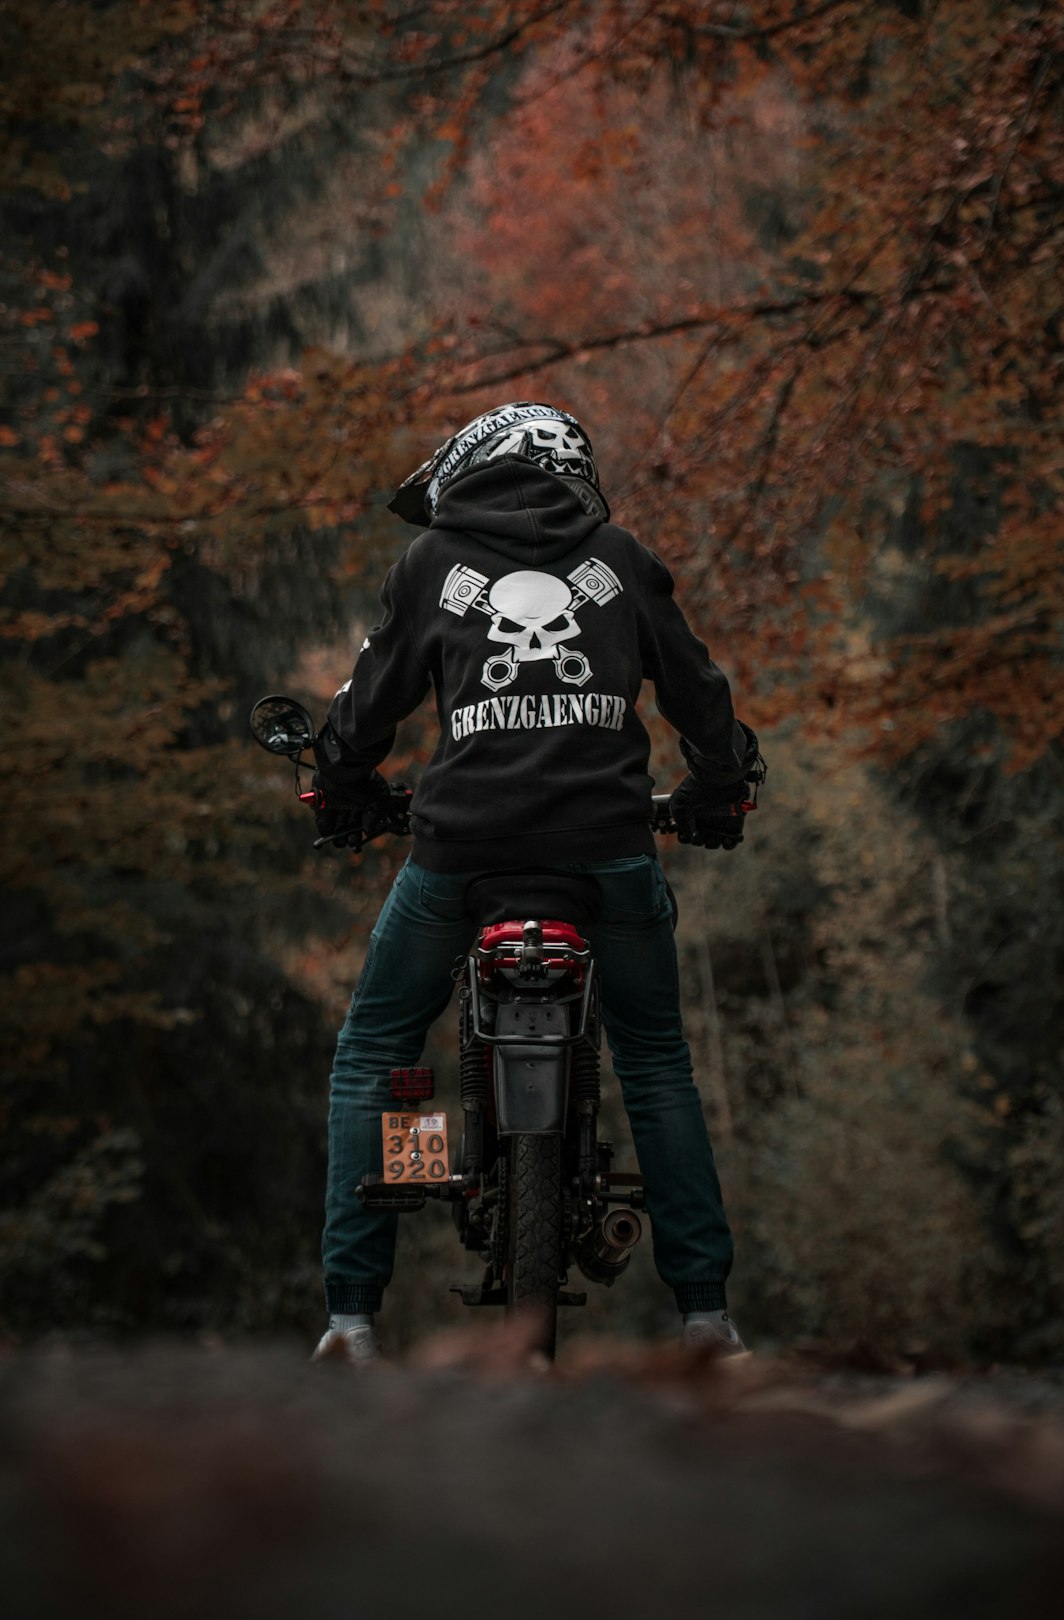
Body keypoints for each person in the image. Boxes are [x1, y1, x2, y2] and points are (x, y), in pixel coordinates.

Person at [308, 402, 763, 1365]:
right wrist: (721, 785)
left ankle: (349, 1319)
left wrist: (342, 785)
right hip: (608, 853)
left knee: (377, 1050)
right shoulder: (620, 556)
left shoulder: (433, 565)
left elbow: (370, 700)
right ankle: (706, 1319)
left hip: (460, 854)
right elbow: (697, 692)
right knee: (654, 1063)